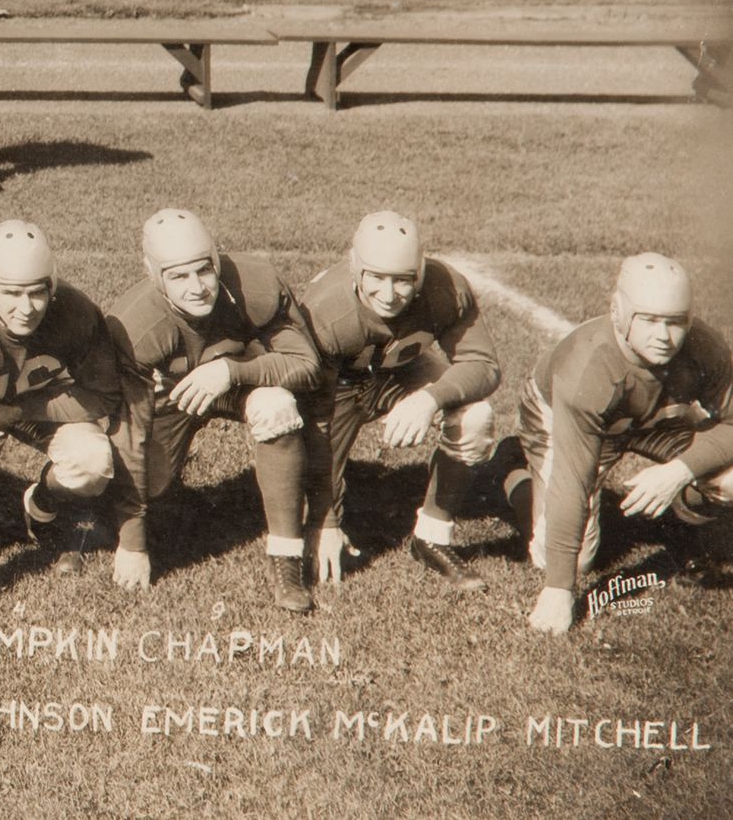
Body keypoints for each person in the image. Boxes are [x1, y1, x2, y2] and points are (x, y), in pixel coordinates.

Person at [0, 221, 152, 620]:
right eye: (11, 293)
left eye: (36, 293)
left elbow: (103, 396)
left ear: (52, 286)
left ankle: (41, 503)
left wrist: (21, 410)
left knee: (92, 464)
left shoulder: (77, 314)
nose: (25, 308)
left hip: (39, 407)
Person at [105, 209, 321, 613]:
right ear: (155, 276)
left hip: (240, 380)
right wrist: (133, 544)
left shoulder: (255, 284)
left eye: (203, 271)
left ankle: (287, 556)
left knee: (278, 407)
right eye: (178, 276)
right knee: (148, 485)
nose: (197, 287)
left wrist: (230, 370)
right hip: (172, 394)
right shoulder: (136, 326)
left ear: (217, 261)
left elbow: (306, 364)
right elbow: (129, 430)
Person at [509, 254, 733, 635]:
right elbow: (572, 480)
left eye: (676, 321)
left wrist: (677, 472)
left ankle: (685, 533)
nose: (664, 336)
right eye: (648, 319)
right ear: (618, 314)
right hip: (573, 416)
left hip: (653, 414)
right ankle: (513, 476)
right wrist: (559, 590)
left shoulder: (705, 348)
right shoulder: (587, 369)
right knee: (570, 560)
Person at [300, 211, 500, 591]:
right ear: (355, 267)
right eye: (376, 277)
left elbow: (484, 365)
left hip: (402, 368)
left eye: (403, 280)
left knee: (476, 415)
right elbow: (317, 425)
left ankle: (432, 537)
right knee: (305, 492)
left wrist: (428, 399)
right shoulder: (325, 313)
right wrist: (325, 522)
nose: (389, 294)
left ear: (421, 271)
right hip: (336, 384)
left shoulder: (445, 287)